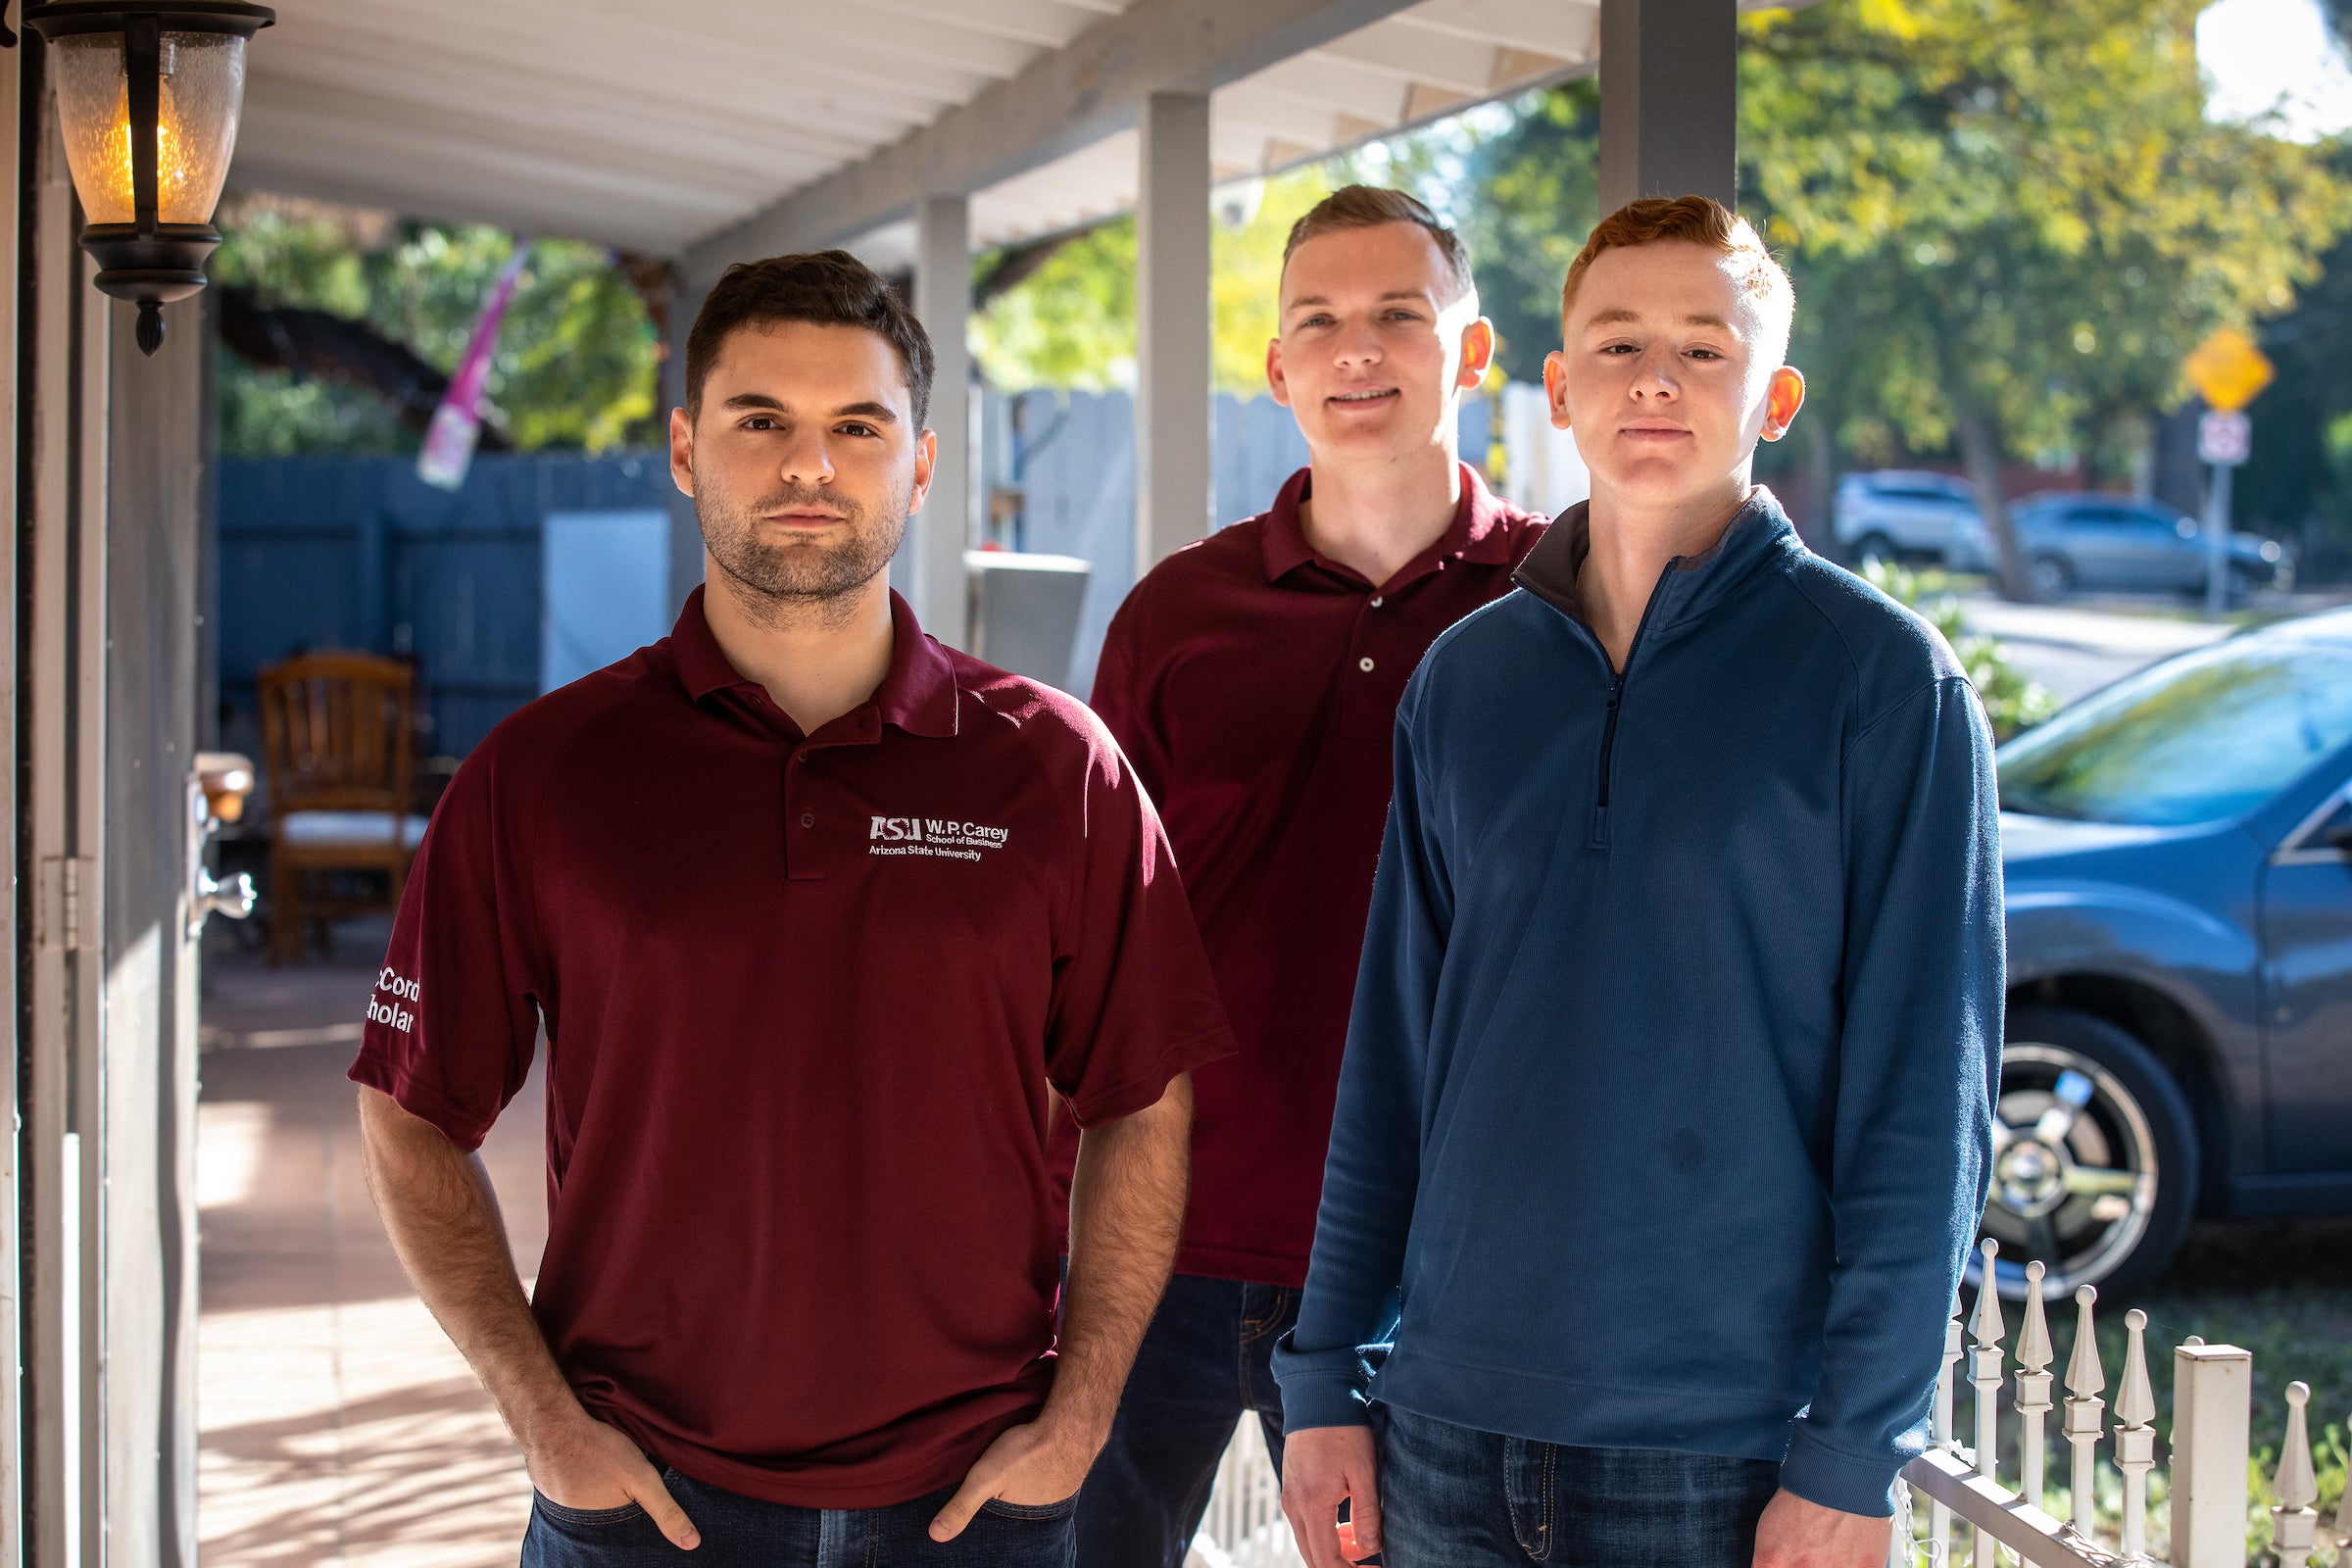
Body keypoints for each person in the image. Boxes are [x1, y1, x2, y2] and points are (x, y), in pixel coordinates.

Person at [350, 250, 1236, 1567]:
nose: (808, 466)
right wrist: (543, 1422)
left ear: (921, 463)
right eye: (760, 420)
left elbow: (1142, 1101)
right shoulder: (546, 775)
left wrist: (1082, 1410)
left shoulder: (1060, 771)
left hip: (976, 1511)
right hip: (644, 1510)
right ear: (685, 450)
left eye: (856, 427)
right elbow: (411, 1115)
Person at [1275, 195, 2003, 1568]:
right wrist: (1327, 1378)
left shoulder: (1882, 685)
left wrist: (1854, 1455)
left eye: (1704, 349)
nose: (1654, 377)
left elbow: (1926, 1110)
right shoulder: (1467, 682)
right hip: (1442, 1430)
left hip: (1722, 1455)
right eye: (1615, 344)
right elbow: (1392, 1062)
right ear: (1558, 386)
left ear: (1774, 395)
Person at [1066, 186, 1547, 1567]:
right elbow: (1097, 939)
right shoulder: (1174, 615)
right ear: (1275, 369)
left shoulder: (1557, 607)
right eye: (1320, 322)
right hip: (1158, 1226)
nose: (1357, 351)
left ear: (1471, 354)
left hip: (1426, 1250)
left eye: (1400, 315)